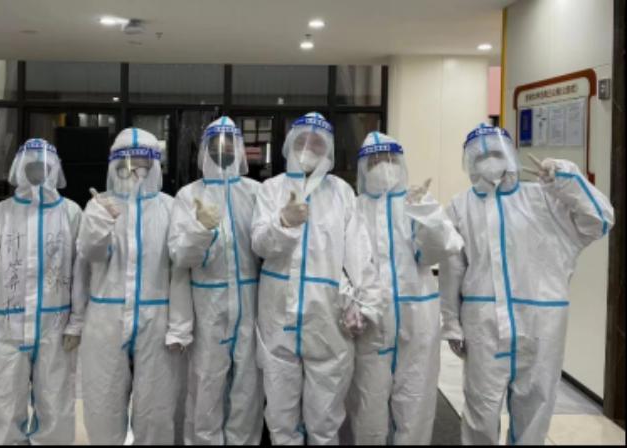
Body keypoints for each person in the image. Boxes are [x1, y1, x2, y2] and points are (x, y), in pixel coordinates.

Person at [439, 124, 614, 445]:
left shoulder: (545, 198)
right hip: (484, 324)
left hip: (541, 323)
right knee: (480, 410)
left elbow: (600, 219)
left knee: (534, 409)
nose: (488, 160)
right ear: (469, 162)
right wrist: (451, 321)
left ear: (510, 154)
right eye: (480, 156)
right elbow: (452, 268)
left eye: (495, 152)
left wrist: (567, 180)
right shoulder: (460, 206)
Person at [251, 112, 383, 444]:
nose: (309, 147)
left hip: (327, 320)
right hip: (278, 318)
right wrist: (283, 221)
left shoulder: (341, 193)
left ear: (329, 150)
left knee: (325, 418)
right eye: (302, 140)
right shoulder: (271, 190)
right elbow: (260, 244)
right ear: (289, 144)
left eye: (317, 142)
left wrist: (364, 305)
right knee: (280, 416)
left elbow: (359, 253)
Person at [69, 127, 187, 444]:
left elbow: (180, 271)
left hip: (157, 319)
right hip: (105, 319)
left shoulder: (170, 207)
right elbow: (86, 260)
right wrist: (102, 223)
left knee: (156, 410)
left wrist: (180, 326)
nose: (135, 172)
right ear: (114, 166)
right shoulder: (98, 206)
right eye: (126, 165)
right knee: (102, 404)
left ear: (155, 166)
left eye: (142, 165)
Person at [346, 131, 463, 444]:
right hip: (371, 318)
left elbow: (441, 250)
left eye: (389, 159)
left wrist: (426, 213)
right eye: (374, 161)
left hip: (417, 315)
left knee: (416, 400)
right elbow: (343, 261)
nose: (382, 166)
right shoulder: (354, 208)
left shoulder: (415, 202)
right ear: (363, 168)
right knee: (367, 403)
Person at [0, 138, 81, 444]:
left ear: (55, 169)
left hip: (55, 328)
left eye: (43, 167)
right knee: (3, 404)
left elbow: (81, 273)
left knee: (56, 402)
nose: (37, 173)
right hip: (6, 328)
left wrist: (76, 322)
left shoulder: (70, 213)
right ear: (19, 170)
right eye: (31, 167)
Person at [167, 116, 263, 444]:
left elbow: (267, 246)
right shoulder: (188, 196)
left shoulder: (256, 192)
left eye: (229, 145)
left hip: (250, 302)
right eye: (215, 146)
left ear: (240, 149)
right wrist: (201, 229)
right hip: (209, 305)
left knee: (248, 388)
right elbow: (180, 256)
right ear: (204, 151)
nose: (223, 152)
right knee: (206, 384)